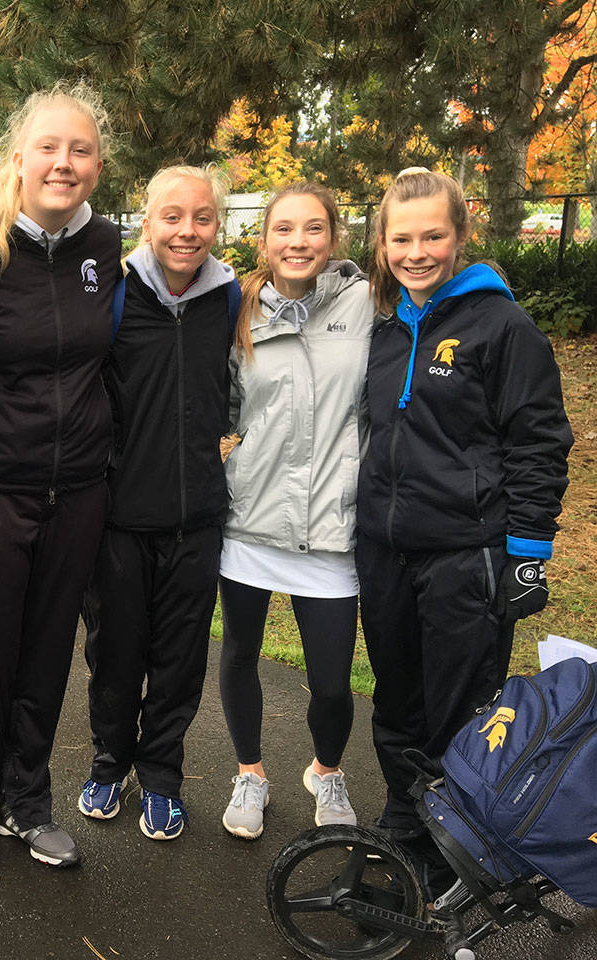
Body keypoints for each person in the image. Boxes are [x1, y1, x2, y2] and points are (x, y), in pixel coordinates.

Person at [358, 167, 571, 883]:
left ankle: (456, 848)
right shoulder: (386, 327)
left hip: (467, 553)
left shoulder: (501, 326)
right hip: (387, 550)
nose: (417, 252)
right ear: (383, 242)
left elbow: (538, 442)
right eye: (402, 239)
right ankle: (402, 821)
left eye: (433, 236)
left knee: (458, 707)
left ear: (461, 234)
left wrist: (529, 554)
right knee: (397, 698)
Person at [0, 82, 122, 869]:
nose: (64, 162)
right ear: (19, 158)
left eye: (79, 150)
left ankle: (27, 801)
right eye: (49, 148)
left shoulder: (107, 246)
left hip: (79, 488)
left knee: (48, 653)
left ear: (97, 164)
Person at [78, 165, 239, 841]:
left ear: (217, 226)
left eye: (201, 217)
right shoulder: (114, 292)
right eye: (172, 216)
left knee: (179, 658)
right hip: (117, 516)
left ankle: (163, 775)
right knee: (115, 655)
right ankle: (110, 763)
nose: (187, 231)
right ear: (146, 221)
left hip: (198, 514)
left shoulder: (229, 298)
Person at [215, 182, 374, 840]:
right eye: (285, 230)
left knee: (333, 685)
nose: (299, 242)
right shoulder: (238, 309)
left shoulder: (369, 303)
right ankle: (249, 773)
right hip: (251, 518)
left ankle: (325, 770)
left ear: (333, 239)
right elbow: (216, 406)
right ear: (265, 240)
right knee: (240, 654)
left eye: (313, 229)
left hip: (334, 524)